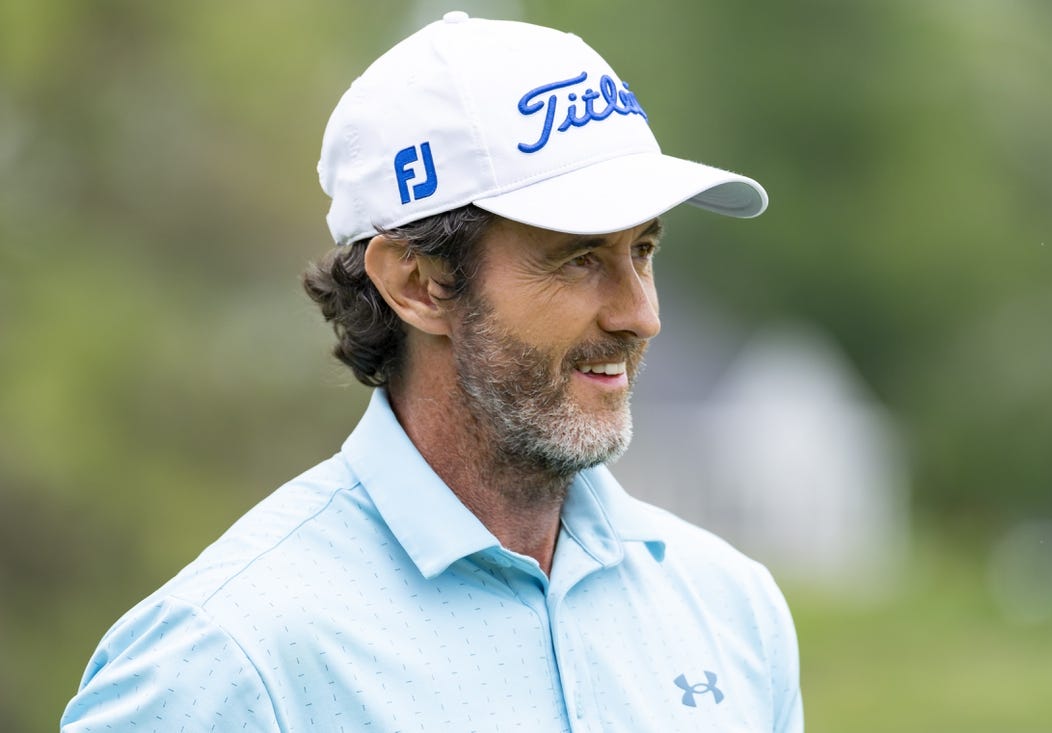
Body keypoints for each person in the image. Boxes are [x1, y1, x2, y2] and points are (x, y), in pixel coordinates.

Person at [61, 11, 803, 732]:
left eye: (642, 250)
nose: (640, 314)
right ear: (417, 283)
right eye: (580, 258)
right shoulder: (224, 657)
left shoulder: (732, 610)